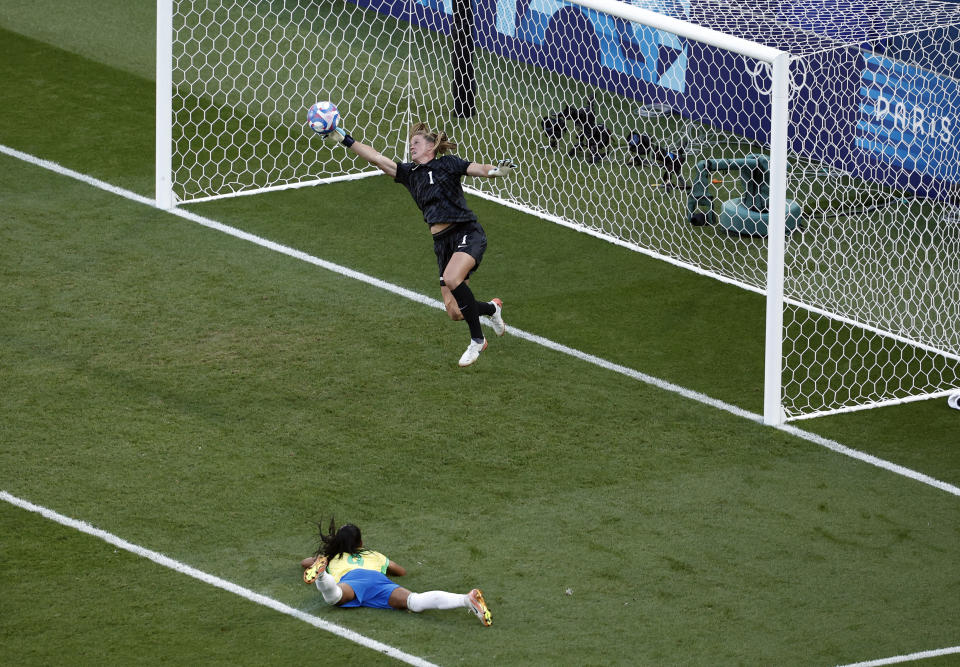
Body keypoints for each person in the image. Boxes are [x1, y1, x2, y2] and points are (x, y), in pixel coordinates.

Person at [325, 117, 513, 367]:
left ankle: (477, 340)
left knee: (452, 278)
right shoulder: (410, 174)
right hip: (441, 243)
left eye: (416, 142)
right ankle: (491, 309)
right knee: (455, 311)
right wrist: (346, 139)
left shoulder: (448, 164)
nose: (411, 146)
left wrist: (494, 171)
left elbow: (476, 168)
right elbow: (377, 158)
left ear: (430, 147)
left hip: (466, 231)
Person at [300, 518, 492, 627]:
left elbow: (304, 562)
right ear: (360, 543)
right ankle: (466, 599)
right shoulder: (373, 555)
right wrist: (384, 565)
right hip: (378, 580)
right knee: (414, 602)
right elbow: (400, 570)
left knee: (336, 597)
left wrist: (321, 560)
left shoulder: (333, 557)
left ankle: (323, 576)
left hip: (352, 579)